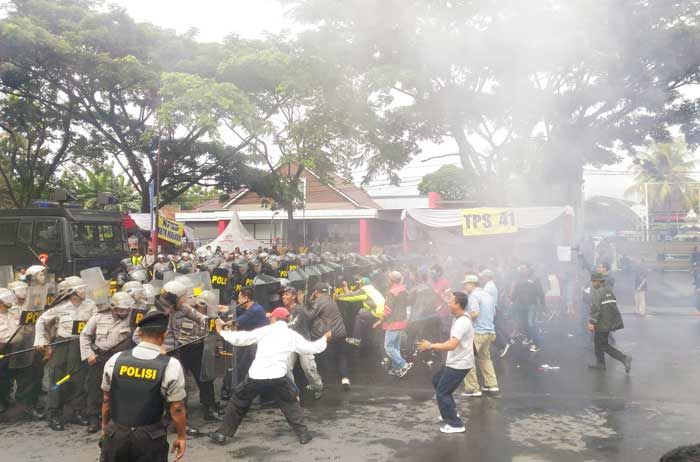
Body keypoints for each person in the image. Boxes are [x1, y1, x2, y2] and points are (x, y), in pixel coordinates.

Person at [208, 307, 331, 446]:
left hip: (257, 374)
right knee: (290, 403)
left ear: (273, 318)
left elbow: (241, 338)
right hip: (278, 375)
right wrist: (324, 338)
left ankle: (222, 433)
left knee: (238, 401)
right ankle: (304, 435)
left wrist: (222, 332)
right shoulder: (291, 335)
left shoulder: (265, 330)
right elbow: (311, 348)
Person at [100, 311, 187, 462]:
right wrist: (181, 437)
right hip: (150, 438)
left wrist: (105, 429)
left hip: (116, 434)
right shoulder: (171, 365)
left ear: (139, 332)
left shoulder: (115, 360)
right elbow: (177, 407)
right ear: (164, 334)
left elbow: (106, 400)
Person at [35, 276, 97, 431]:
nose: (84, 291)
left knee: (79, 378)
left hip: (81, 344)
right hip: (62, 344)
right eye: (80, 288)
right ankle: (53, 413)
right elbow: (41, 321)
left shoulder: (90, 305)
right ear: (71, 292)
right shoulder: (60, 307)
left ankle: (77, 411)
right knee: (57, 378)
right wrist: (41, 340)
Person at [417, 291, 474, 434]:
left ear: (458, 304)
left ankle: (455, 424)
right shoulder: (460, 317)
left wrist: (431, 345)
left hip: (459, 364)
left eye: (451, 301)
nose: (448, 303)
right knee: (437, 380)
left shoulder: (462, 322)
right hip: (454, 361)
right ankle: (450, 411)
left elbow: (452, 345)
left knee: (442, 392)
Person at [80, 292, 134, 433]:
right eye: (120, 310)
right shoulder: (98, 317)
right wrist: (89, 355)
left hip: (122, 358)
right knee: (95, 388)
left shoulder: (134, 318)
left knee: (122, 389)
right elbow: (85, 336)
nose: (123, 313)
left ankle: (118, 418)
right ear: (113, 307)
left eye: (126, 310)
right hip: (100, 357)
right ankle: (93, 418)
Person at [282, 286, 324, 400]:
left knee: (308, 368)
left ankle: (318, 387)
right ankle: (293, 392)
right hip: (290, 343)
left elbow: (293, 324)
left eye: (287, 294)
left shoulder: (299, 309)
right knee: (286, 368)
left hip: (303, 342)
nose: (284, 296)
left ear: (294, 297)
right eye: (283, 294)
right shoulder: (283, 310)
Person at [461, 275, 499, 397]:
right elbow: (494, 313)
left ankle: (472, 388)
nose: (465, 286)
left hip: (478, 332)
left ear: (472, 284)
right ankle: (491, 385)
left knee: (467, 359)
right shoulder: (487, 295)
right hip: (490, 332)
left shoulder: (473, 296)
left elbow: (475, 313)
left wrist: (462, 317)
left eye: (466, 284)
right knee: (485, 358)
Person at [308, 282, 351, 390]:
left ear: (316, 292)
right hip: (340, 333)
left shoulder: (319, 301)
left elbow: (309, 315)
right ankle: (345, 378)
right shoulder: (331, 299)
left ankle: (326, 381)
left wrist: (309, 300)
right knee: (341, 356)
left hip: (328, 334)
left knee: (323, 356)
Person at [588, 273, 632, 373]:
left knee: (603, 345)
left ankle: (624, 358)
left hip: (601, 322)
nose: (593, 283)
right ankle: (600, 363)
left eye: (594, 281)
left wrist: (591, 322)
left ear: (599, 281)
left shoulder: (597, 292)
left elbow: (595, 308)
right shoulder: (609, 291)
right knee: (598, 343)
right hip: (608, 323)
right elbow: (614, 307)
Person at [337, 277, 385, 347]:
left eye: (360, 284)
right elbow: (353, 295)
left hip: (377, 311)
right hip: (381, 310)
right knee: (365, 313)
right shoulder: (371, 289)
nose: (359, 285)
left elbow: (351, 297)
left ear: (362, 284)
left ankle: (356, 339)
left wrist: (338, 296)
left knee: (361, 314)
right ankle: (365, 336)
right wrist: (346, 287)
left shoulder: (364, 290)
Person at [382, 271, 413, 378]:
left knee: (388, 347)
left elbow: (388, 309)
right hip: (401, 322)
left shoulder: (392, 292)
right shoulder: (404, 290)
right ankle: (397, 369)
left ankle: (403, 364)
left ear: (390, 280)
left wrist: (381, 318)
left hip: (392, 323)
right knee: (396, 346)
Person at [511, 264, 544, 352]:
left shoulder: (535, 278)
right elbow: (516, 290)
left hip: (531, 305)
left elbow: (540, 292)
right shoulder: (519, 279)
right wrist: (512, 299)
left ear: (529, 269)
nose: (522, 270)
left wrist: (543, 305)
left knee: (531, 324)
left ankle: (537, 345)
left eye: (524, 268)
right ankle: (529, 338)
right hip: (521, 304)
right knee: (524, 324)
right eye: (521, 268)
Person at [0, 288, 18, 413]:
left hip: (16, 348)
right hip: (1, 349)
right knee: (1, 377)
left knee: (11, 376)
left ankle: (8, 396)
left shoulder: (13, 314)